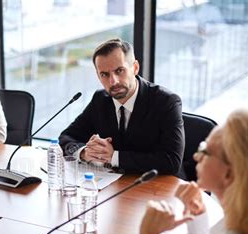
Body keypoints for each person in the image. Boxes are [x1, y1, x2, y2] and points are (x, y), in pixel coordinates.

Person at [59, 38, 184, 176]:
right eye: (104, 74)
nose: (113, 81)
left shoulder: (166, 102)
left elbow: (171, 162)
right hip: (115, 185)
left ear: (135, 68)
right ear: (98, 76)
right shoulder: (100, 99)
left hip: (156, 188)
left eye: (119, 71)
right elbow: (66, 137)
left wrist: (113, 157)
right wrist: (85, 152)